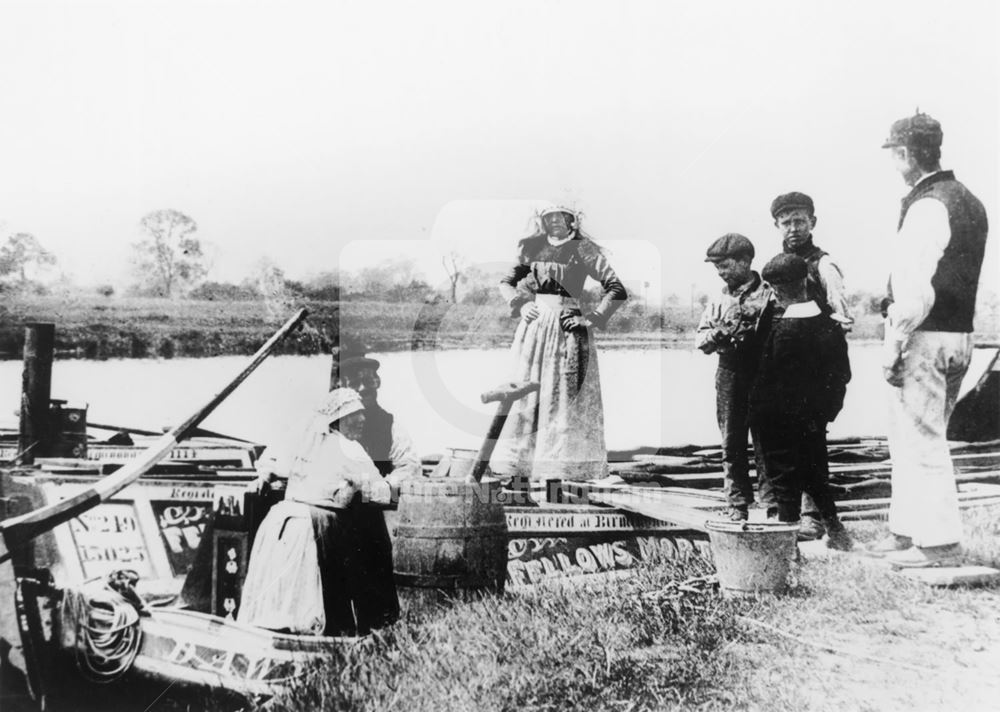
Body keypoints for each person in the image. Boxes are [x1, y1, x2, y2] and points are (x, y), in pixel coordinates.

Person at [876, 112, 989, 568]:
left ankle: (939, 544)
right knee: (914, 436)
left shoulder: (927, 205)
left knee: (921, 440)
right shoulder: (970, 201)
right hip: (960, 335)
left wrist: (892, 346)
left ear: (905, 154)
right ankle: (907, 533)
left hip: (924, 336)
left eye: (893, 154)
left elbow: (913, 289)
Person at [238, 388, 399, 635]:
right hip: (315, 525)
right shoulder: (349, 448)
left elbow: (272, 464)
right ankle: (317, 633)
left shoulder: (304, 441)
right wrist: (394, 487)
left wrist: (265, 476)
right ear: (340, 419)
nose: (363, 420)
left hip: (281, 521)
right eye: (356, 415)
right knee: (314, 598)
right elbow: (379, 491)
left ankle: (275, 628)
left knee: (283, 593)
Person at [492, 204, 627, 484]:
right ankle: (520, 472)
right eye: (549, 217)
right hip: (534, 328)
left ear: (571, 220)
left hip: (567, 330)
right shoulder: (532, 248)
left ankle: (562, 473)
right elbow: (506, 283)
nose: (554, 222)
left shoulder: (582, 248)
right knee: (528, 392)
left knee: (563, 396)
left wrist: (592, 318)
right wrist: (520, 304)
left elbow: (616, 288)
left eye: (560, 217)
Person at [749, 254, 852, 551]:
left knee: (784, 483)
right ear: (806, 282)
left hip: (777, 422)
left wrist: (757, 416)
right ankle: (836, 531)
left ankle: (788, 549)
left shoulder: (783, 331)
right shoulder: (829, 325)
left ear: (775, 290)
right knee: (816, 474)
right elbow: (841, 375)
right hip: (814, 419)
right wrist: (825, 413)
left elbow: (769, 383)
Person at [770, 191, 853, 540]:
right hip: (786, 370)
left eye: (799, 221)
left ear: (812, 223)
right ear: (776, 225)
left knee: (811, 442)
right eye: (786, 222)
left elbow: (843, 318)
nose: (793, 228)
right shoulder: (775, 266)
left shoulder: (823, 265)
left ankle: (815, 518)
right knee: (795, 443)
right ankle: (802, 515)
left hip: (818, 371)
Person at [695, 233, 772, 521]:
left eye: (725, 265)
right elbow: (700, 341)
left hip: (763, 373)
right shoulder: (718, 297)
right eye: (716, 266)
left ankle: (773, 505)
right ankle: (737, 505)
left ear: (745, 261)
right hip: (729, 373)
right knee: (731, 442)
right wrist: (717, 333)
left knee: (767, 441)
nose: (720, 272)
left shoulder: (769, 293)